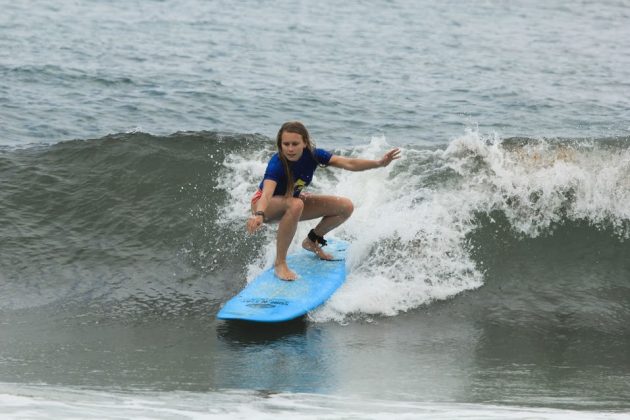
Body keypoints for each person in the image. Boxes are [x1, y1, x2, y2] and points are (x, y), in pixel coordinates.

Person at [246, 121, 401, 281]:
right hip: (264, 205)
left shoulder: (314, 155)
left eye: (295, 144)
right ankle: (280, 264)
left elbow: (348, 163)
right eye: (286, 144)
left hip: (291, 200)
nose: (290, 149)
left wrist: (379, 163)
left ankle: (312, 240)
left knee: (345, 206)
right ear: (280, 144)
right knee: (296, 203)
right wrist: (259, 214)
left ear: (304, 143)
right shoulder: (277, 163)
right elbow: (266, 194)